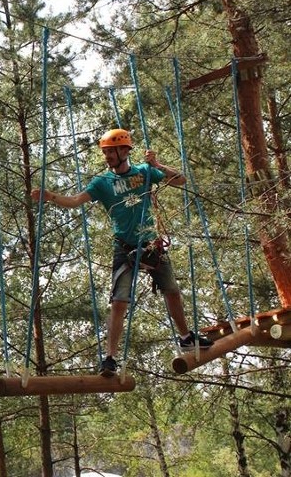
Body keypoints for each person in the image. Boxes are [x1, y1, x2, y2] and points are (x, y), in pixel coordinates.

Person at [31, 128, 213, 377]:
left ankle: (186, 337)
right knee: (118, 303)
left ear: (124, 151)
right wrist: (51, 196)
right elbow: (76, 200)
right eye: (104, 152)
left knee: (171, 291)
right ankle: (109, 358)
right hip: (125, 247)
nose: (106, 156)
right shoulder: (102, 183)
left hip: (151, 244)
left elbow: (180, 180)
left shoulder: (145, 172)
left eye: (110, 152)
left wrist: (157, 163)